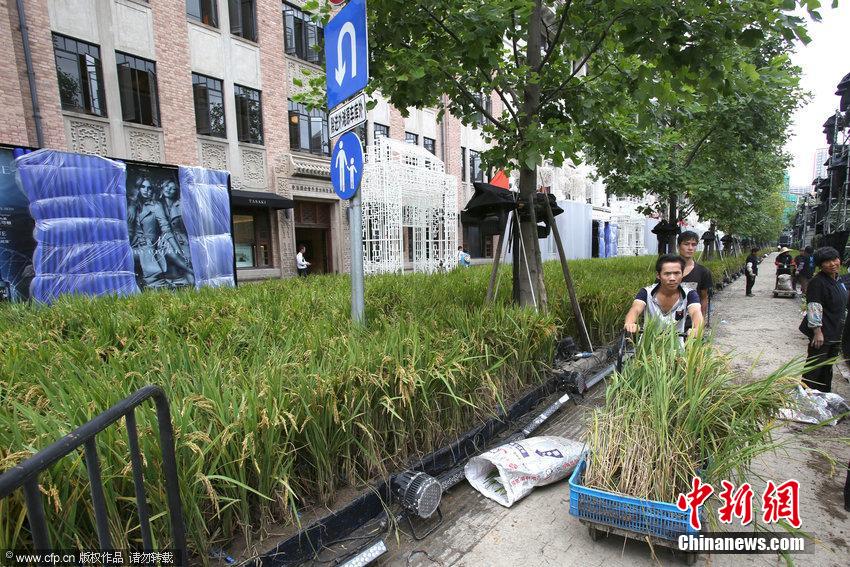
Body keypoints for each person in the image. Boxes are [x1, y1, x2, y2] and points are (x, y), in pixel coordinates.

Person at [799, 246, 847, 393]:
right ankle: (806, 396)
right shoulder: (818, 282)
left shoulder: (837, 280)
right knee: (815, 368)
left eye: (834, 259)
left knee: (827, 368)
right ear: (820, 265)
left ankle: (823, 396)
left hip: (834, 332)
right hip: (822, 334)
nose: (832, 263)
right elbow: (813, 306)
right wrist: (817, 332)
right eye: (827, 261)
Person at [624, 254, 704, 337]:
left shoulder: (690, 294)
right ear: (658, 275)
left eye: (677, 273)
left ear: (682, 274)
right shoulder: (646, 292)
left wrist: (698, 328)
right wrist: (630, 323)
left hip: (676, 345)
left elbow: (695, 311)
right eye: (667, 274)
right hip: (648, 345)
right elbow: (635, 309)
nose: (672, 278)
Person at [160, 180, 194, 286]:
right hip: (166, 240)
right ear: (163, 187)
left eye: (173, 188)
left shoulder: (181, 204)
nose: (169, 190)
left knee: (188, 265)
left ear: (176, 192)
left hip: (182, 239)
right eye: (167, 186)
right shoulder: (157, 204)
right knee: (178, 262)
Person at [677, 231, 713, 323]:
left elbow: (704, 298)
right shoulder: (667, 270)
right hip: (668, 321)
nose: (690, 248)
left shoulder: (703, 272)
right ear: (678, 246)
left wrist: (701, 323)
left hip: (691, 322)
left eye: (693, 245)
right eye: (686, 244)